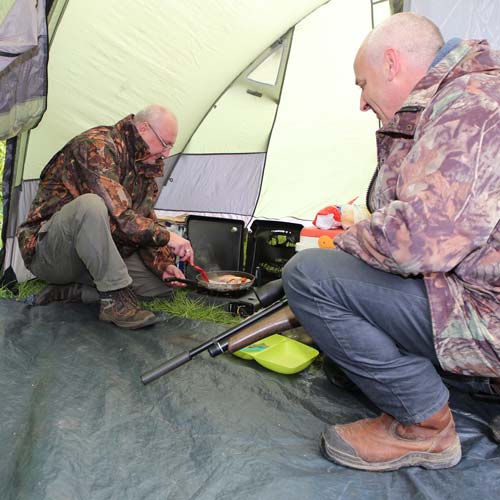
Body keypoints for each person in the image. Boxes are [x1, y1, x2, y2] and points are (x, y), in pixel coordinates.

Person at [282, 12, 500, 471]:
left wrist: (341, 244)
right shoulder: (454, 98)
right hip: (485, 292)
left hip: (489, 314)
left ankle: (426, 428)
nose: (362, 102)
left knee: (309, 277)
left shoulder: (472, 104)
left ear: (393, 64)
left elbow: (421, 240)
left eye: (363, 83)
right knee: (345, 367)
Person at [17, 104, 193, 329]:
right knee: (91, 206)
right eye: (165, 143)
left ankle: (79, 292)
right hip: (51, 252)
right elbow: (121, 217)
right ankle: (116, 301)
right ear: (144, 129)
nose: (167, 153)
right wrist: (168, 236)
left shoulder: (145, 163)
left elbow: (143, 218)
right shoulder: (97, 146)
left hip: (97, 252)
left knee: (160, 288)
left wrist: (162, 265)